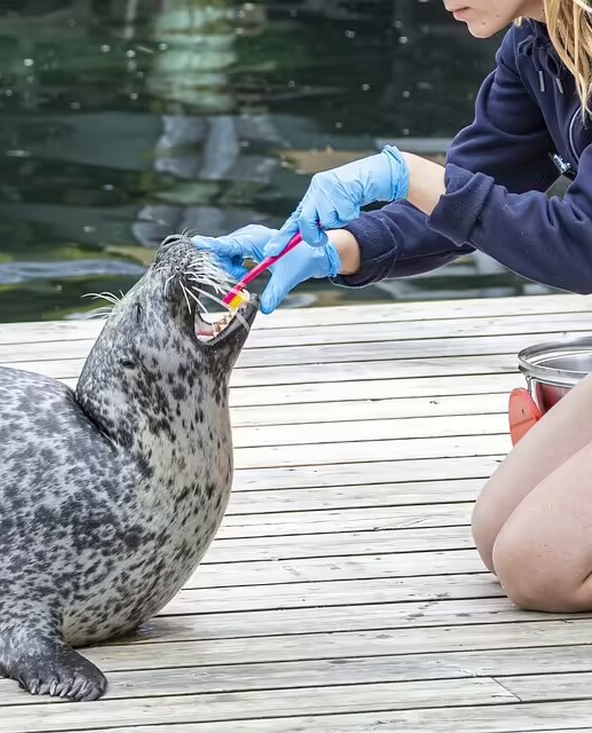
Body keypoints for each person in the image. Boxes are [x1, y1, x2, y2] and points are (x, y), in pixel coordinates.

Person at [196, 0, 592, 614]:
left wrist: (408, 174)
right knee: (498, 531)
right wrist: (331, 251)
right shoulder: (536, 46)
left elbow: (584, 244)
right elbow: (462, 205)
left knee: (541, 568)